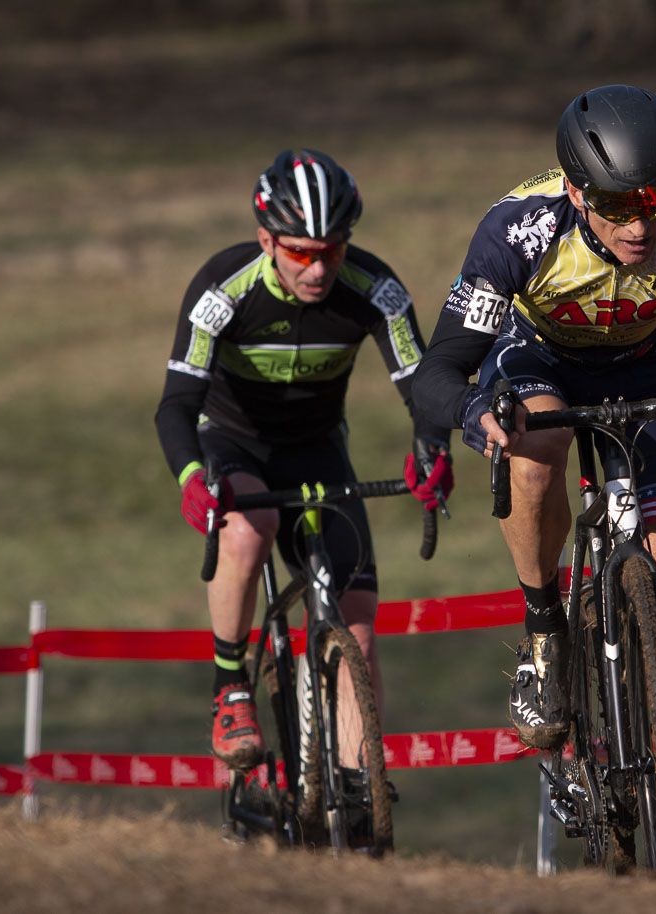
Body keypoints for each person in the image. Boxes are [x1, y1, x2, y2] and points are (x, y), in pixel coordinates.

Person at [412, 85, 656, 880]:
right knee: (537, 445)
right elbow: (439, 369)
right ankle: (546, 629)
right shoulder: (517, 229)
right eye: (618, 205)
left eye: (654, 198)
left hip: (647, 364)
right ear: (577, 191)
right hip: (538, 361)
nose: (639, 224)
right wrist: (474, 412)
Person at [154, 148, 453, 777]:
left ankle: (357, 796)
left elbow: (423, 388)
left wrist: (433, 449)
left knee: (361, 636)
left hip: (318, 449)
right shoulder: (222, 290)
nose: (317, 270)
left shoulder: (378, 290)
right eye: (299, 253)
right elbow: (176, 405)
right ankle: (230, 685)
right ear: (266, 240)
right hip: (233, 443)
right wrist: (189, 478)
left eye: (332, 251)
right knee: (247, 531)